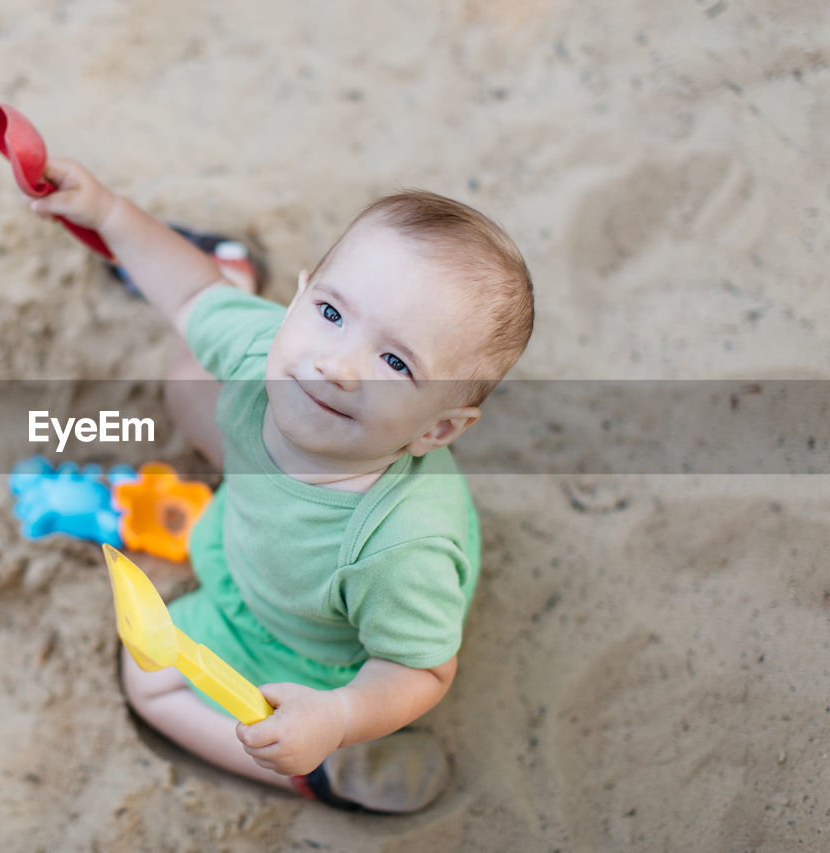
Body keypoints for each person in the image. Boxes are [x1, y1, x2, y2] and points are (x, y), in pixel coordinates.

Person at [27, 157, 534, 813]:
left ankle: (311, 772)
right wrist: (106, 212)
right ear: (296, 299)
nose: (337, 364)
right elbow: (188, 296)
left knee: (148, 677)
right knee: (190, 380)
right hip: (249, 529)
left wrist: (340, 714)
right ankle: (235, 270)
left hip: (300, 651)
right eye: (329, 311)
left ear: (437, 428)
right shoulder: (271, 347)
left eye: (394, 361)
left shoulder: (398, 548)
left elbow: (423, 669)